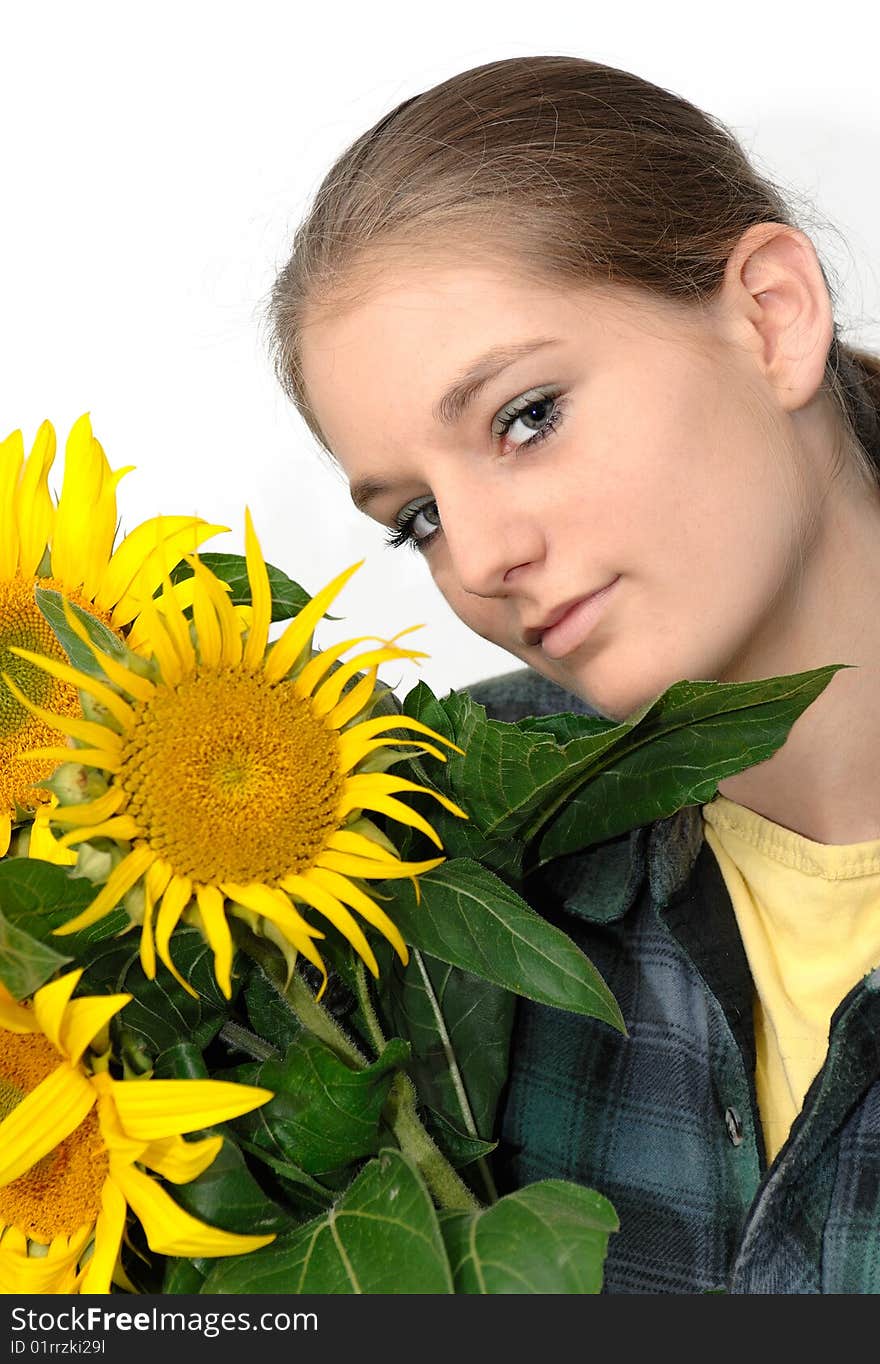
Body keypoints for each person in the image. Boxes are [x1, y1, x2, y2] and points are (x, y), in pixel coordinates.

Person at [264, 55, 880, 1293]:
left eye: (526, 416)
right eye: (417, 516)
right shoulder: (404, 857)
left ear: (770, 315)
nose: (484, 558)